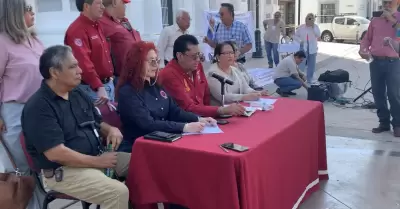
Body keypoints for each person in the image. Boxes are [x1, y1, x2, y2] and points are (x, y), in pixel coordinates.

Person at [21, 45, 130, 209]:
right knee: (117, 192)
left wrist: (110, 129)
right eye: (73, 66)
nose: (80, 70)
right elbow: (56, 153)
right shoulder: (38, 107)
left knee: (144, 163)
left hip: (96, 157)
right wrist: (97, 162)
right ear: (55, 72)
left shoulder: (77, 93)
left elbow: (97, 123)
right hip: (64, 171)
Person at [117, 41, 216, 151]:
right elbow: (148, 124)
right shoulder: (128, 92)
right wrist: (185, 127)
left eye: (157, 61)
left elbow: (174, 111)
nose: (156, 65)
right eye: (151, 62)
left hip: (165, 139)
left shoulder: (155, 85)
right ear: (137, 63)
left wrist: (199, 119)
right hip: (141, 146)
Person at [0, 1, 45, 208]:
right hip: (14, 112)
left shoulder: (34, 40)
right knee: (21, 168)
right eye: (27, 9)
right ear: (14, 14)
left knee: (39, 167)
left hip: (41, 111)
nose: (32, 12)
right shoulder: (2, 42)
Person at [158, 34, 246, 117]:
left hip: (204, 118)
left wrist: (210, 115)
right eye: (193, 56)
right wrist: (221, 110)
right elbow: (188, 107)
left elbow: (206, 93)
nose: (197, 60)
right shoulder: (169, 74)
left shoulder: (197, 65)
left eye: (199, 55)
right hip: (184, 122)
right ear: (180, 56)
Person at [359, 0, 400, 137]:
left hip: (393, 62)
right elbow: (367, 39)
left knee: (394, 94)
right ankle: (384, 122)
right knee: (378, 93)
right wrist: (363, 50)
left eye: (390, 2)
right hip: (375, 62)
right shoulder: (375, 20)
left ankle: (397, 124)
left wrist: (392, 20)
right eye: (385, 2)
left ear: (397, 3)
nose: (387, 5)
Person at [65, 0, 115, 104]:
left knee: (110, 119)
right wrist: (98, 86)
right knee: (99, 120)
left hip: (106, 85)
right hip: (92, 90)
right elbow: (83, 62)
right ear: (87, 6)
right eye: (98, 3)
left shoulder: (97, 25)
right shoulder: (77, 30)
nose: (102, 7)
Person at [207, 42, 268, 106]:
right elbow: (224, 96)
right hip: (221, 110)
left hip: (239, 105)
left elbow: (245, 88)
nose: (230, 55)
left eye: (231, 52)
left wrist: (257, 93)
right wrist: (244, 97)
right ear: (218, 57)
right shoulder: (213, 74)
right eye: (226, 53)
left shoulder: (234, 69)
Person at [99, 0, 141, 86]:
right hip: (120, 79)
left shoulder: (124, 21)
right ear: (114, 2)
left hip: (135, 75)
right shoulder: (102, 22)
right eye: (123, 3)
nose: (125, 6)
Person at [294, 13, 320, 84]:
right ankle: (300, 79)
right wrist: (300, 41)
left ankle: (309, 79)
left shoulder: (315, 27)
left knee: (311, 65)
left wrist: (313, 26)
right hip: (303, 47)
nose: (309, 19)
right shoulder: (301, 27)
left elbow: (318, 35)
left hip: (312, 48)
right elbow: (295, 36)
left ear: (313, 19)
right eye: (308, 18)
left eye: (311, 18)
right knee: (301, 63)